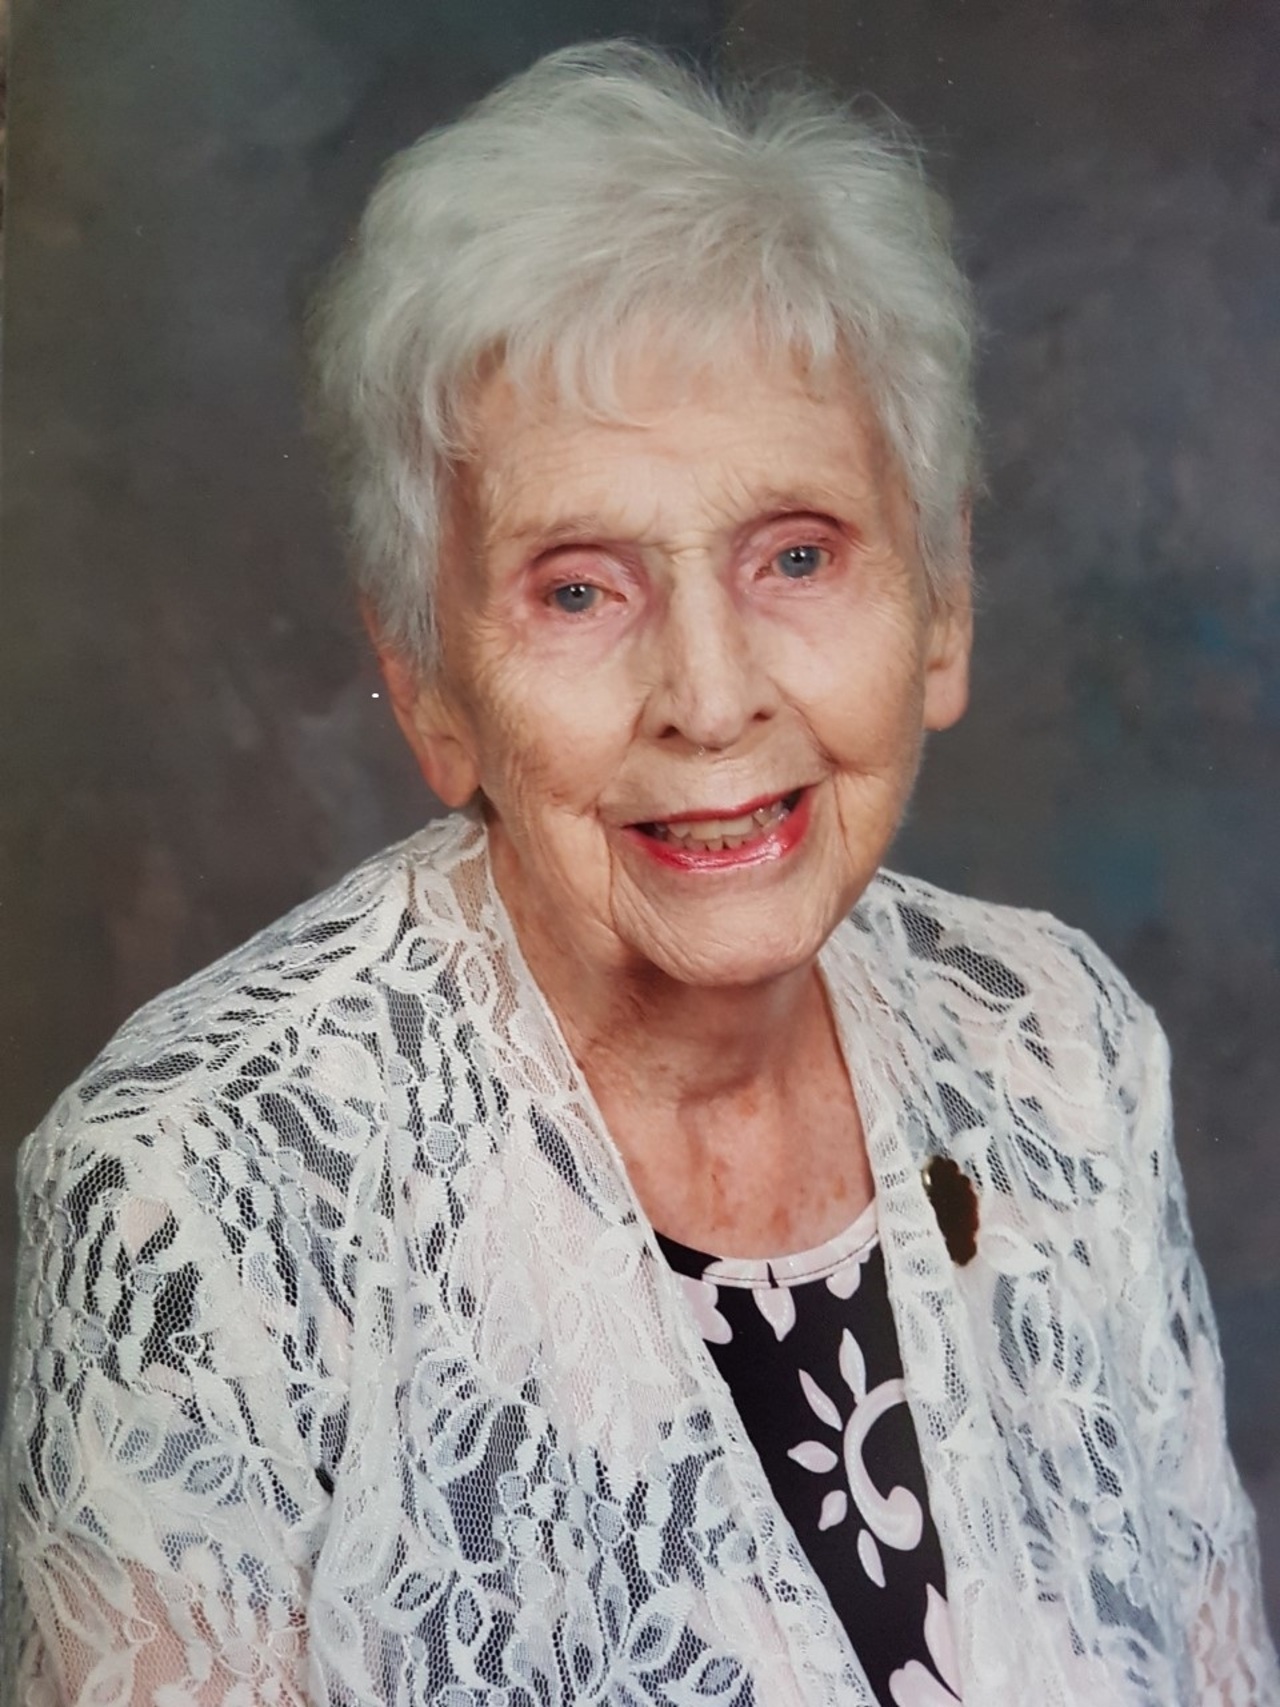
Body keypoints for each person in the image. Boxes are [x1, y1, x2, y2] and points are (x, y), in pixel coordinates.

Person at [2, 40, 1275, 1707]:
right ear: (427, 685)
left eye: (797, 554)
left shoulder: (1061, 1049)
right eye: (579, 589)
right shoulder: (201, 1204)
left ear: (943, 602)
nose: (712, 695)